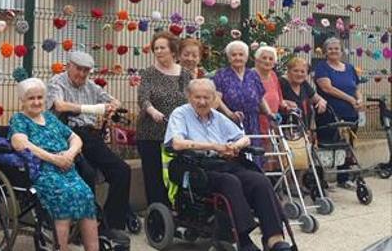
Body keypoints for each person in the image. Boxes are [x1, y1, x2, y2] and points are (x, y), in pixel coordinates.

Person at [165, 79, 292, 251]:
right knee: (230, 182)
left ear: (214, 98)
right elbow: (177, 144)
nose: (202, 102)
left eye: (207, 97)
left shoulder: (218, 117)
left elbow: (244, 137)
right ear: (189, 97)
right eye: (197, 97)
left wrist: (235, 146)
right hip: (196, 165)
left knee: (259, 181)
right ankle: (242, 239)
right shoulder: (180, 114)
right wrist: (214, 146)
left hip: (224, 163)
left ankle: (274, 239)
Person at [46, 51, 131, 247]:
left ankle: (110, 224)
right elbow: (59, 106)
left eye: (86, 71)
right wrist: (93, 109)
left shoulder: (91, 86)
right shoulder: (57, 82)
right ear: (69, 66)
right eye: (79, 69)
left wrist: (111, 107)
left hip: (92, 137)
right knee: (88, 174)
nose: (82, 74)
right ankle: (86, 226)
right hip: (67, 135)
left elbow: (115, 102)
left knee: (122, 171)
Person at [9, 78, 100, 251]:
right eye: (31, 98)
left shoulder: (50, 118)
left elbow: (75, 138)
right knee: (63, 195)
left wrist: (69, 154)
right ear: (22, 100)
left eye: (40, 97)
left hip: (67, 167)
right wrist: (54, 158)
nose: (37, 102)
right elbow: (19, 143)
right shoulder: (19, 120)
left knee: (86, 195)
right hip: (42, 171)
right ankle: (61, 248)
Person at [136, 31, 190, 207]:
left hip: (177, 133)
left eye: (162, 48)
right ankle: (158, 212)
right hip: (151, 132)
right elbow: (143, 98)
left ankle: (178, 208)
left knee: (177, 172)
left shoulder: (184, 74)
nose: (158, 51)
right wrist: (152, 111)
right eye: (156, 48)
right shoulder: (149, 73)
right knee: (154, 175)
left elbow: (190, 98)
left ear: (172, 51)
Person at [313, 37, 363, 188]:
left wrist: (359, 99)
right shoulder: (322, 67)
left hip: (351, 113)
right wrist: (350, 99)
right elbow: (327, 88)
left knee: (347, 146)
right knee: (327, 145)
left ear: (342, 51)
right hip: (330, 113)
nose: (334, 51)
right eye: (330, 49)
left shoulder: (349, 68)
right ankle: (322, 181)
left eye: (337, 48)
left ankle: (344, 178)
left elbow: (356, 88)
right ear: (325, 52)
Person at [213, 41, 277, 143]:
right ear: (229, 58)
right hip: (231, 122)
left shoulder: (253, 75)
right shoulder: (221, 75)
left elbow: (260, 98)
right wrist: (230, 114)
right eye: (234, 55)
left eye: (241, 55)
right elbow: (216, 98)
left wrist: (269, 113)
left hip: (252, 122)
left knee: (255, 153)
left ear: (246, 58)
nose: (237, 58)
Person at [279, 57, 327, 128]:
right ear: (288, 71)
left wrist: (321, 102)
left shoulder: (304, 83)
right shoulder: (281, 83)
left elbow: (318, 98)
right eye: (295, 71)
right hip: (285, 129)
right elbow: (272, 101)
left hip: (303, 130)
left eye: (303, 71)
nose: (299, 74)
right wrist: (283, 102)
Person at [254, 46, 284, 138]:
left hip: (272, 122)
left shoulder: (273, 75)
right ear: (257, 60)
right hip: (256, 123)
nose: (267, 61)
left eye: (271, 59)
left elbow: (280, 99)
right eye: (264, 58)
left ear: (274, 63)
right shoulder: (250, 76)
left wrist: (287, 106)